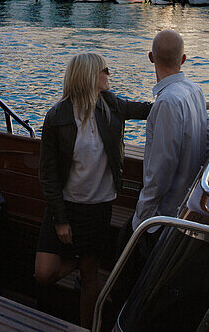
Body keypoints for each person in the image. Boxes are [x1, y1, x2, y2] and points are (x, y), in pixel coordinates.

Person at [36, 53, 151, 328]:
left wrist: (207, 103)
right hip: (65, 207)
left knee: (91, 277)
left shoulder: (111, 105)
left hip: (98, 208)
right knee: (44, 273)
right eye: (105, 70)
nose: (109, 75)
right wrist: (61, 219)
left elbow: (152, 109)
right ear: (89, 75)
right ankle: (77, 261)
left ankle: (89, 327)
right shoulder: (57, 116)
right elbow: (49, 175)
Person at [132, 29, 209, 234]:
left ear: (150, 58)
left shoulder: (167, 102)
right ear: (183, 59)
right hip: (187, 205)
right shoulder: (195, 90)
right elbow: (206, 144)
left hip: (163, 217)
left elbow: (161, 169)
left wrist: (142, 218)